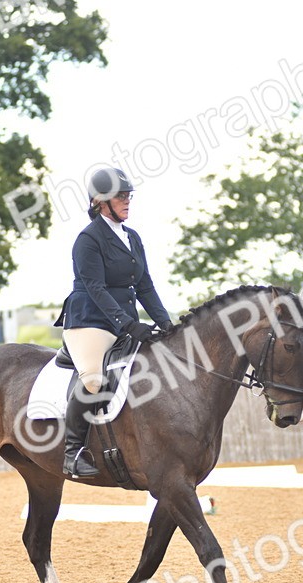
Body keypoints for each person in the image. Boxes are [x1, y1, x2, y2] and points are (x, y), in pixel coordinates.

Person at [53, 167, 173, 478]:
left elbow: (145, 286)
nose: (127, 201)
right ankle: (72, 453)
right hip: (89, 321)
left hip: (121, 321)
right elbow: (96, 288)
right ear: (99, 201)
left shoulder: (132, 237)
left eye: (128, 195)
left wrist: (167, 324)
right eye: (120, 196)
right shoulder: (88, 239)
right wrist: (128, 324)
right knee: (94, 380)